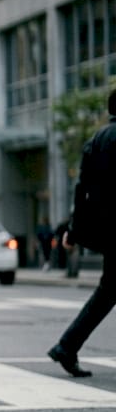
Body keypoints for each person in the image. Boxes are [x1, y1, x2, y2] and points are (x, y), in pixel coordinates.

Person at [49, 86, 116, 378]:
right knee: (108, 291)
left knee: (108, 291)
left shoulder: (96, 140)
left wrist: (73, 231)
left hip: (107, 229)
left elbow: (82, 191)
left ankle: (67, 346)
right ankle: (66, 346)